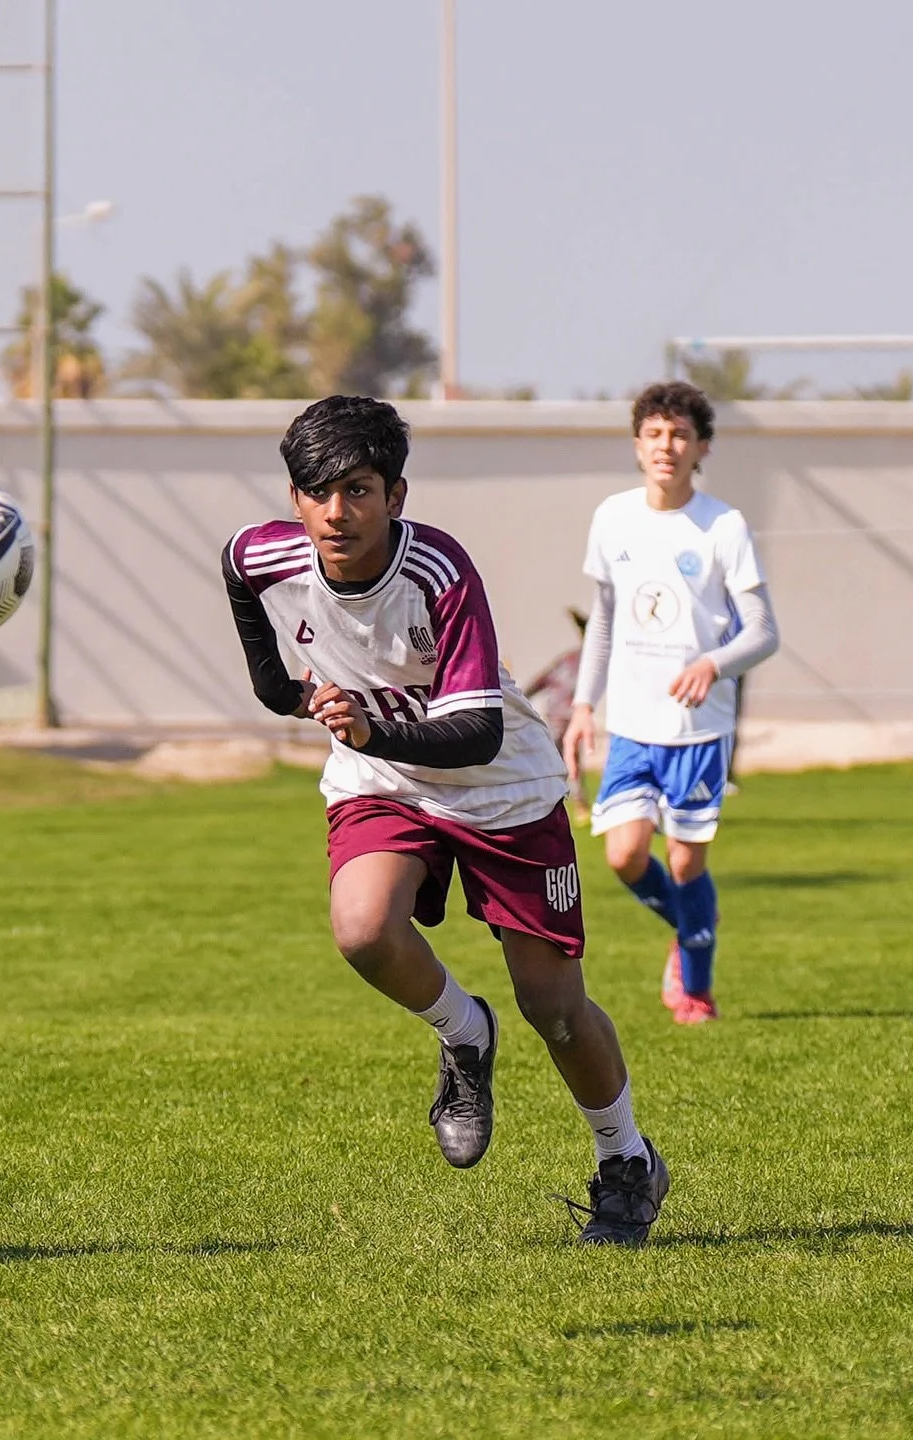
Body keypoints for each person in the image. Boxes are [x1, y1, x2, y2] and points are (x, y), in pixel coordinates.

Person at [222, 395, 669, 1247]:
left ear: (396, 494)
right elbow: (257, 634)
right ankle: (466, 1035)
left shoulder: (440, 571)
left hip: (502, 791)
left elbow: (478, 731)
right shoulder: (261, 554)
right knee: (361, 930)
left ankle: (626, 1162)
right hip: (384, 781)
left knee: (559, 1011)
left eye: (357, 489)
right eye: (317, 491)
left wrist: (369, 724)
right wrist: (295, 695)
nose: (335, 512)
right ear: (293, 496)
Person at [562, 381, 780, 1025]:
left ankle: (697, 990)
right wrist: (582, 707)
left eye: (680, 434)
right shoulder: (613, 517)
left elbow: (763, 632)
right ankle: (692, 927)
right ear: (637, 445)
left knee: (685, 862)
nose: (667, 445)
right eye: (655, 433)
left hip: (697, 728)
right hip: (630, 725)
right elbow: (601, 621)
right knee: (625, 856)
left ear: (701, 447)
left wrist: (713, 664)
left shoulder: (723, 525)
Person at [522, 607, 591, 824]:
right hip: (558, 718)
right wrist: (522, 698)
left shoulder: (581, 661)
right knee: (556, 762)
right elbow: (543, 680)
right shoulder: (573, 659)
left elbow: (541, 681)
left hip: (568, 718)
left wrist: (523, 696)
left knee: (565, 762)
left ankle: (574, 804)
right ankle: (559, 803)